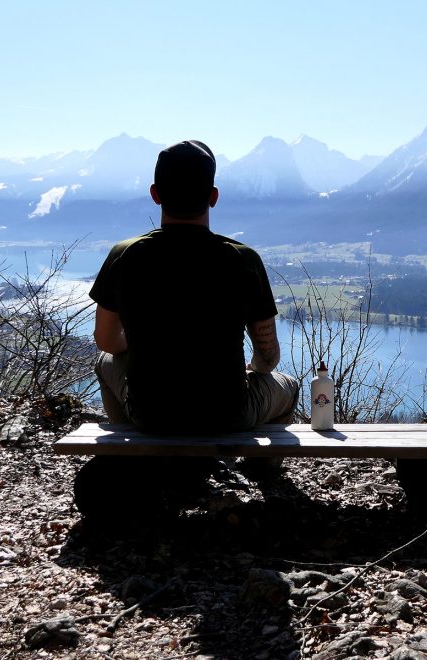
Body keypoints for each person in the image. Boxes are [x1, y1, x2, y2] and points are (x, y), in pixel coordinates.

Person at [74, 140, 299, 525]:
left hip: (151, 413)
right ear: (213, 197)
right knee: (289, 384)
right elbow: (269, 357)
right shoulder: (241, 260)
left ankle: (139, 455)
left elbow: (107, 343)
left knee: (104, 363)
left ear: (155, 194)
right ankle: (261, 468)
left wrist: (143, 343)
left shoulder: (125, 255)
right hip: (228, 414)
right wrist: (254, 369)